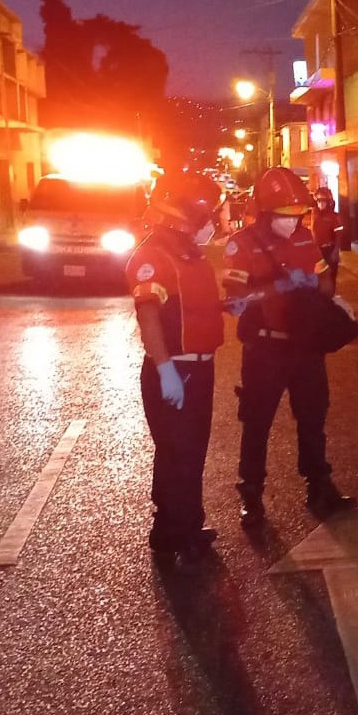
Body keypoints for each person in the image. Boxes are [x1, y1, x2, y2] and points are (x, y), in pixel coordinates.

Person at [224, 167, 356, 525]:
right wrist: (277, 287)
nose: (293, 222)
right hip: (264, 350)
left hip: (305, 347)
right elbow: (234, 301)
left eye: (299, 215)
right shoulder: (242, 244)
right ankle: (251, 495)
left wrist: (324, 287)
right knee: (257, 421)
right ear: (266, 213)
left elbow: (324, 284)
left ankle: (319, 485)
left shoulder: (303, 237)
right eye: (286, 216)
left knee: (313, 417)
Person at [125, 171, 228, 573]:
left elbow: (188, 308)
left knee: (185, 453)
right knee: (180, 453)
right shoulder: (154, 256)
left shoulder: (186, 252)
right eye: (206, 215)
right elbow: (149, 314)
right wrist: (165, 369)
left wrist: (224, 309)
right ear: (187, 214)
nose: (211, 223)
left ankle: (173, 530)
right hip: (177, 371)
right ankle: (181, 532)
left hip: (197, 369)